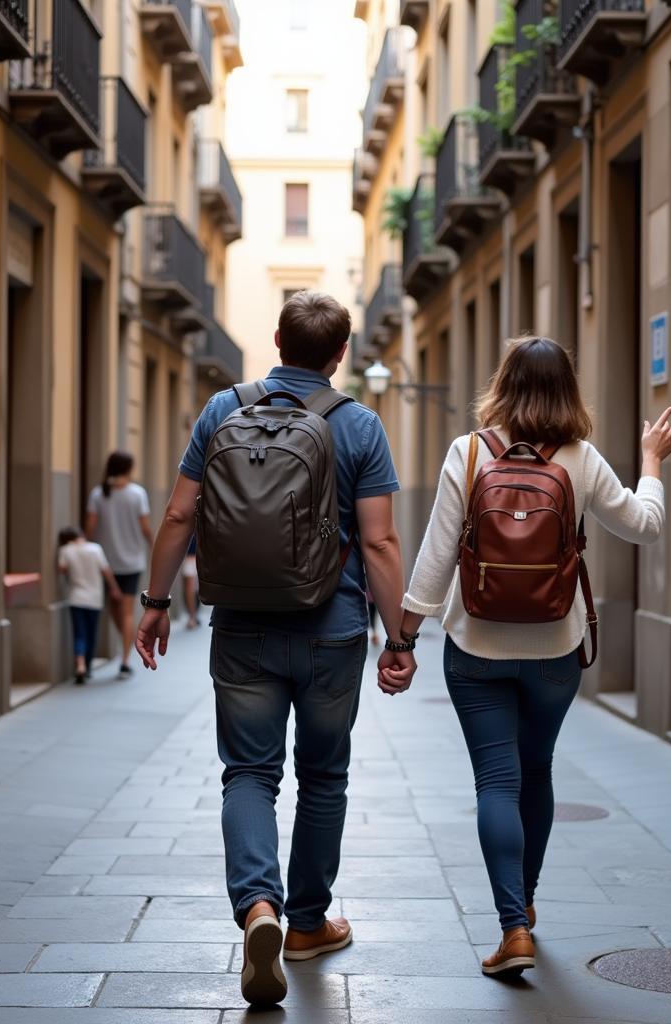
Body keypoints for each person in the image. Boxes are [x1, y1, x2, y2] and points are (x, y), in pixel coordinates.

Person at [135, 291, 416, 1006]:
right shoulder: (358, 426)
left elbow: (178, 512)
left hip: (244, 630)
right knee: (323, 778)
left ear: (277, 341)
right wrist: (400, 637)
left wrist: (156, 604)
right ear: (340, 352)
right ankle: (306, 922)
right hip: (333, 631)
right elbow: (380, 541)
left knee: (249, 774)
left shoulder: (221, 410)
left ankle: (257, 906)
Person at [392, 336, 671, 978]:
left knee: (496, 782)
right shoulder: (581, 459)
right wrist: (651, 462)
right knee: (537, 771)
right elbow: (645, 525)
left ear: (503, 383)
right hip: (556, 646)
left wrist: (401, 640)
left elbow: (436, 559)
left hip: (475, 646)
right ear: (567, 391)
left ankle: (512, 926)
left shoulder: (467, 454)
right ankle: (528, 901)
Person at [86, 451, 153, 678]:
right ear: (128, 468)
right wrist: (153, 545)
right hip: (131, 561)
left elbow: (90, 528)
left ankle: (124, 656)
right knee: (125, 612)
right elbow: (144, 527)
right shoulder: (137, 494)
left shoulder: (98, 494)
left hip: (106, 563)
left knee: (115, 609)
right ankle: (126, 657)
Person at [57, 526, 121, 685]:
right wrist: (114, 588)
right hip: (94, 598)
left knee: (79, 633)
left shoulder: (65, 550)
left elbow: (62, 569)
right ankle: (88, 666)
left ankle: (80, 665)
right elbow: (106, 570)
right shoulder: (95, 549)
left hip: (76, 597)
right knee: (91, 633)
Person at [182, 535, 200, 629]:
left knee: (193, 587)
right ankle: (192, 616)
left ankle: (193, 615)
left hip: (198, 552)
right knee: (190, 587)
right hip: (189, 553)